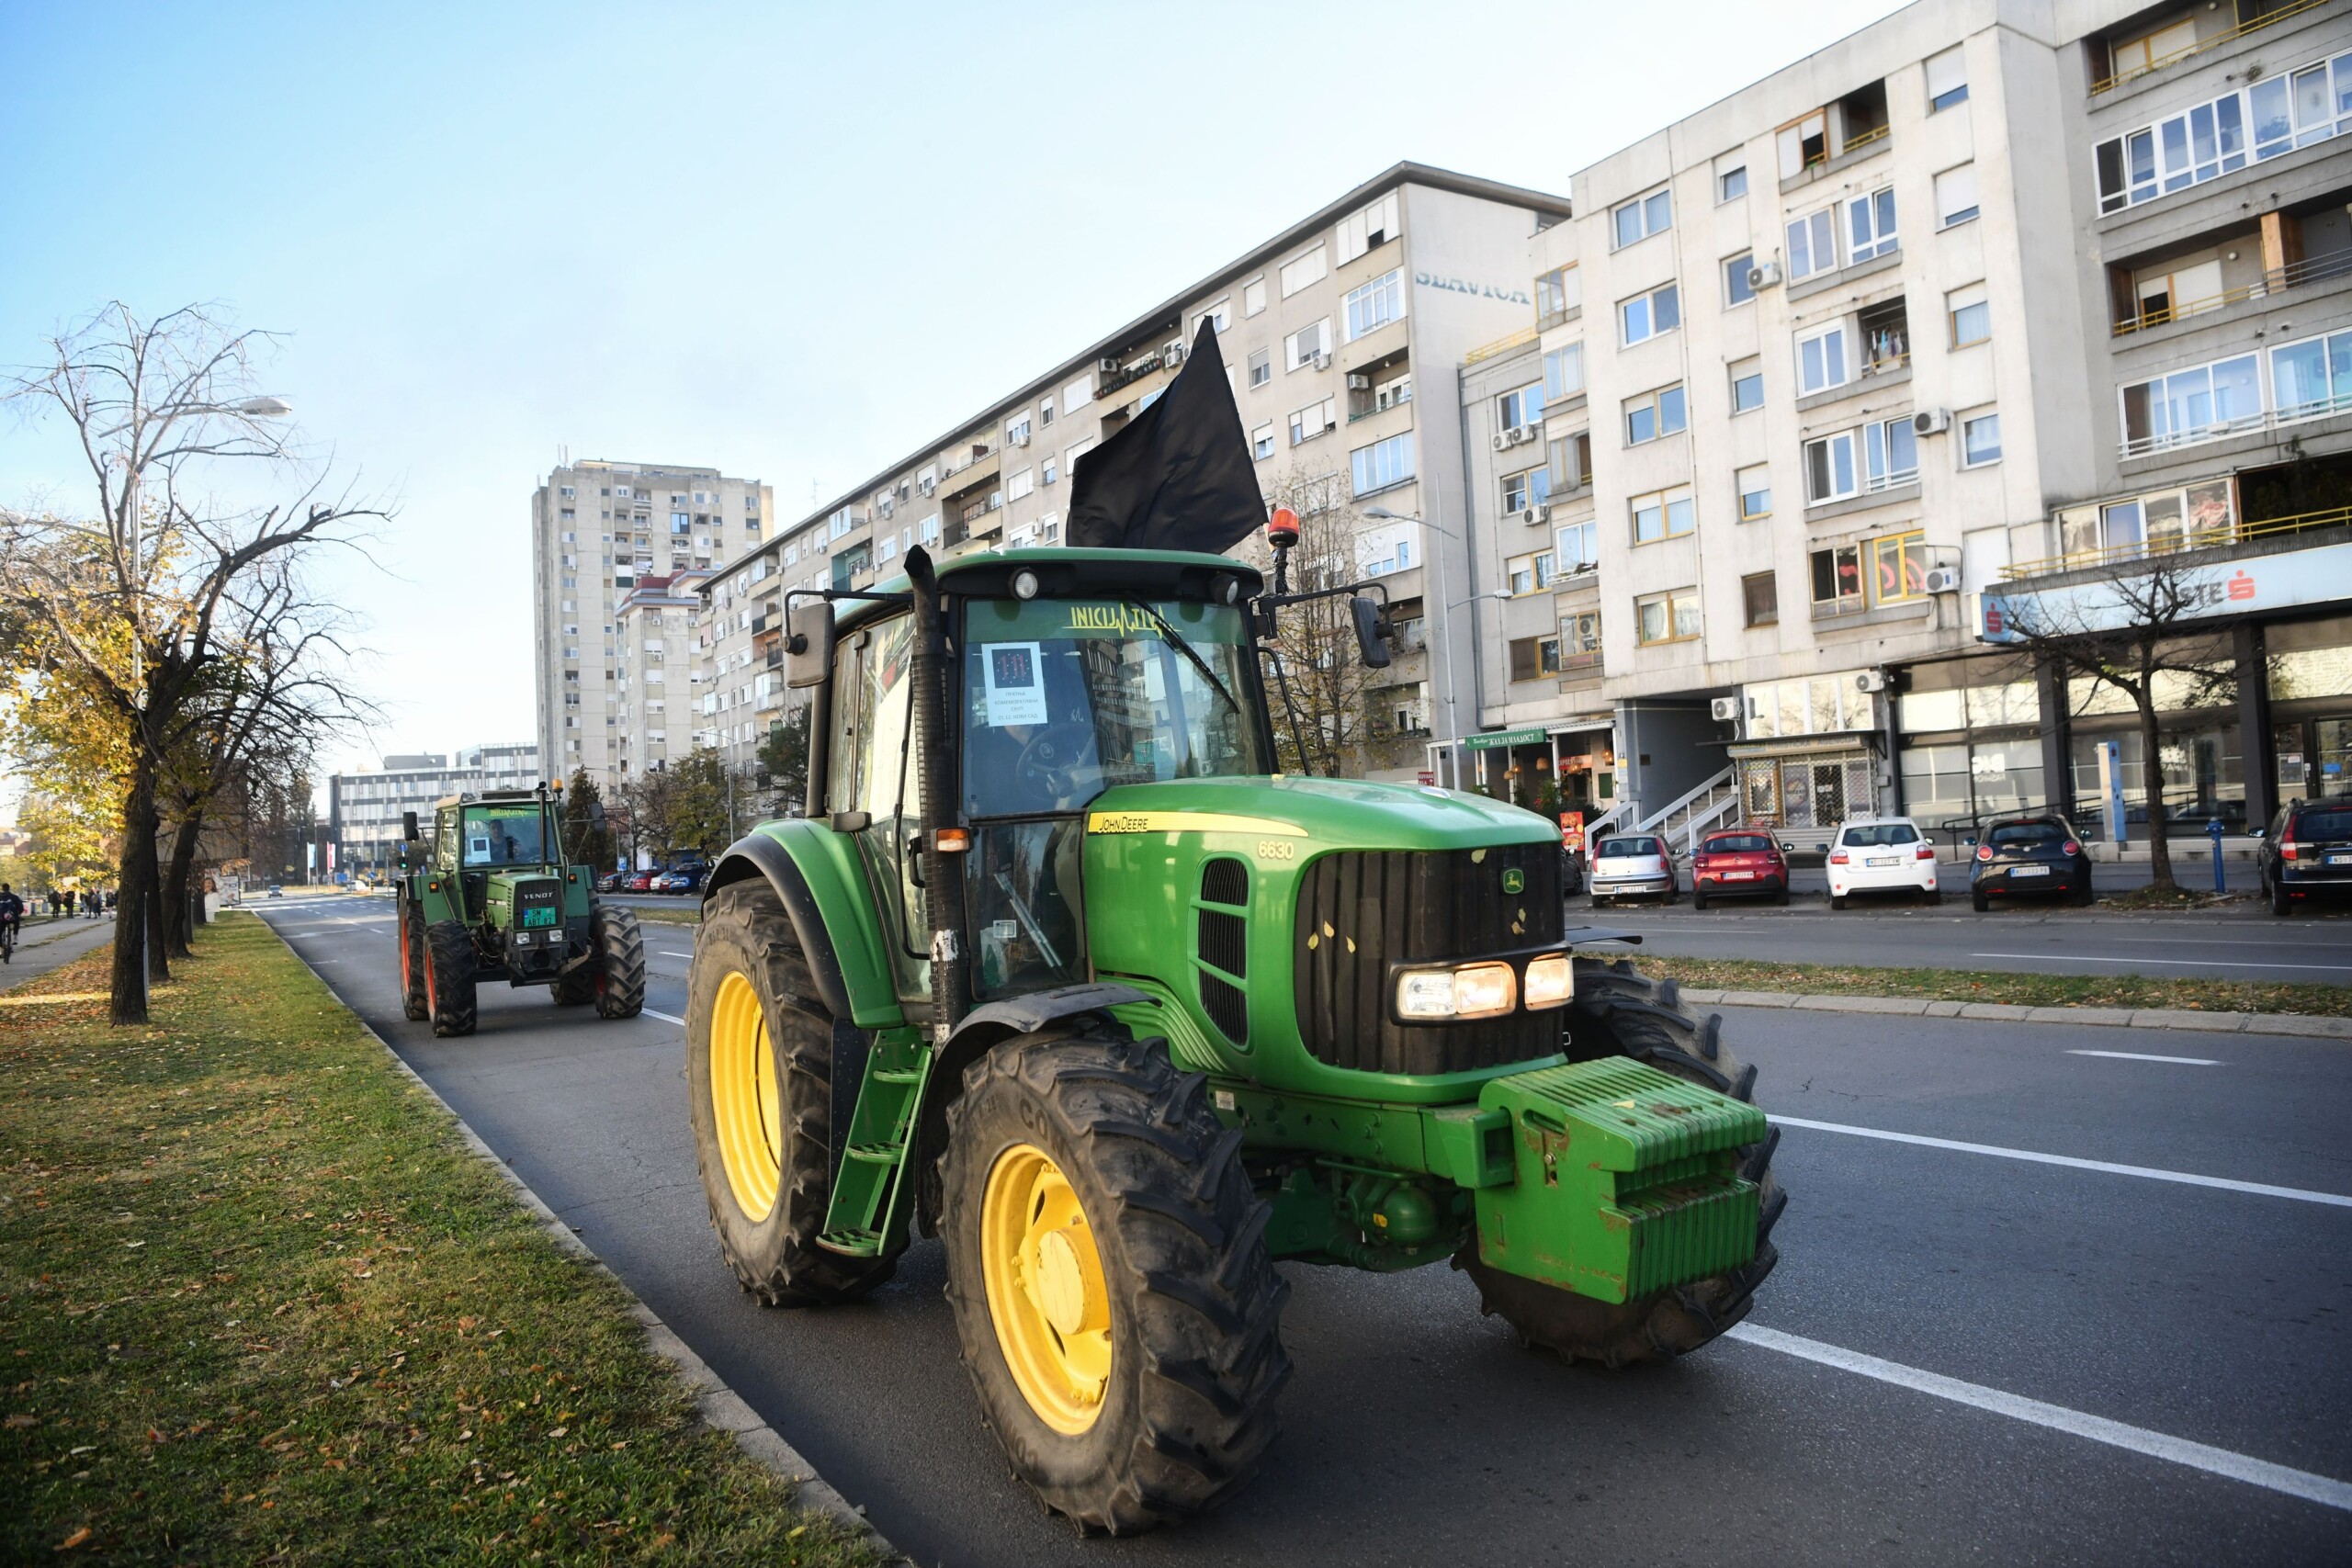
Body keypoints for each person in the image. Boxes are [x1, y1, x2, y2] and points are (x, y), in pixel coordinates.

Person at [0, 884, 23, 960]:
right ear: (9, 888)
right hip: (12, 918)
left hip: (1, 918)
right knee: (16, 921)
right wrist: (19, 913)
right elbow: (20, 907)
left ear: (2, 889)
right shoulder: (14, 897)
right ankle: (15, 936)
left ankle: (1, 948)